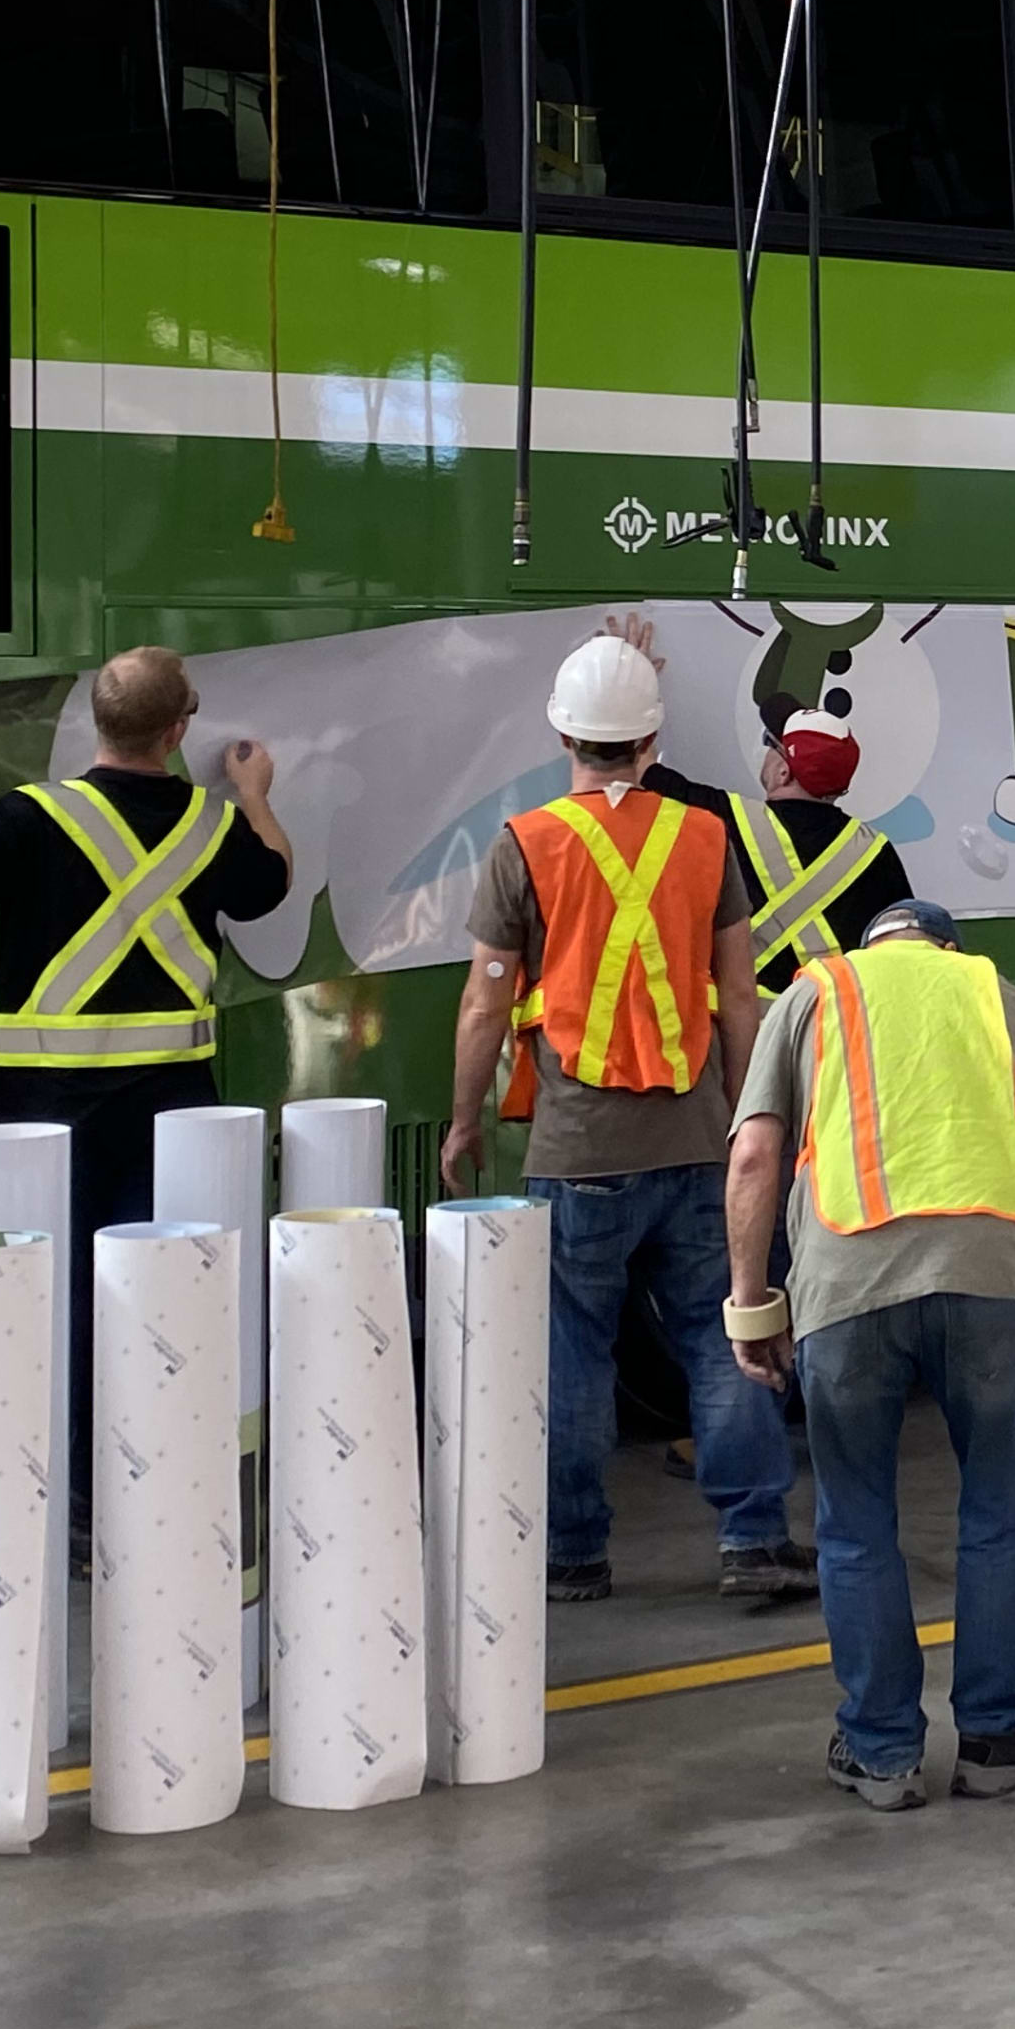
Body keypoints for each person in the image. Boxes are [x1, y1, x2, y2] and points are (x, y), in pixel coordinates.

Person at [722, 898, 1015, 1811]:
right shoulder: (985, 987)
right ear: (943, 947)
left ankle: (882, 1752)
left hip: (847, 1294)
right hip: (988, 1290)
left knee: (855, 1525)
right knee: (999, 1513)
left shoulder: (813, 993)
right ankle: (1000, 1734)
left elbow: (754, 1158)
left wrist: (751, 1305)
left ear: (873, 948)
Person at [0, 648, 290, 1523]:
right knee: (160, 1297)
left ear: (99, 723)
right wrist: (255, 792)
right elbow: (274, 879)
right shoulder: (212, 826)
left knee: (50, 1306)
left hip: (41, 1114)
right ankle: (150, 1492)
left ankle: (65, 1500)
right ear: (179, 731)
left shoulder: (32, 818)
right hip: (170, 1108)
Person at [441, 630, 806, 1607]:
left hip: (576, 1150)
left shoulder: (524, 845)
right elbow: (739, 997)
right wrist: (743, 1117)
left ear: (561, 729)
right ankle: (755, 1539)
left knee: (571, 1350)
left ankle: (571, 1556)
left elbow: (484, 1001)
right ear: (651, 738)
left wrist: (463, 1121)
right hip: (694, 1141)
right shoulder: (706, 838)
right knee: (722, 1330)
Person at [735, 704, 914, 998]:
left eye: (771, 744)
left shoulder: (720, 819)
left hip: (747, 1027)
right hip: (838, 1027)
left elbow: (641, 770)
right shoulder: (874, 850)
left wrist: (637, 677)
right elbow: (903, 949)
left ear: (783, 772)